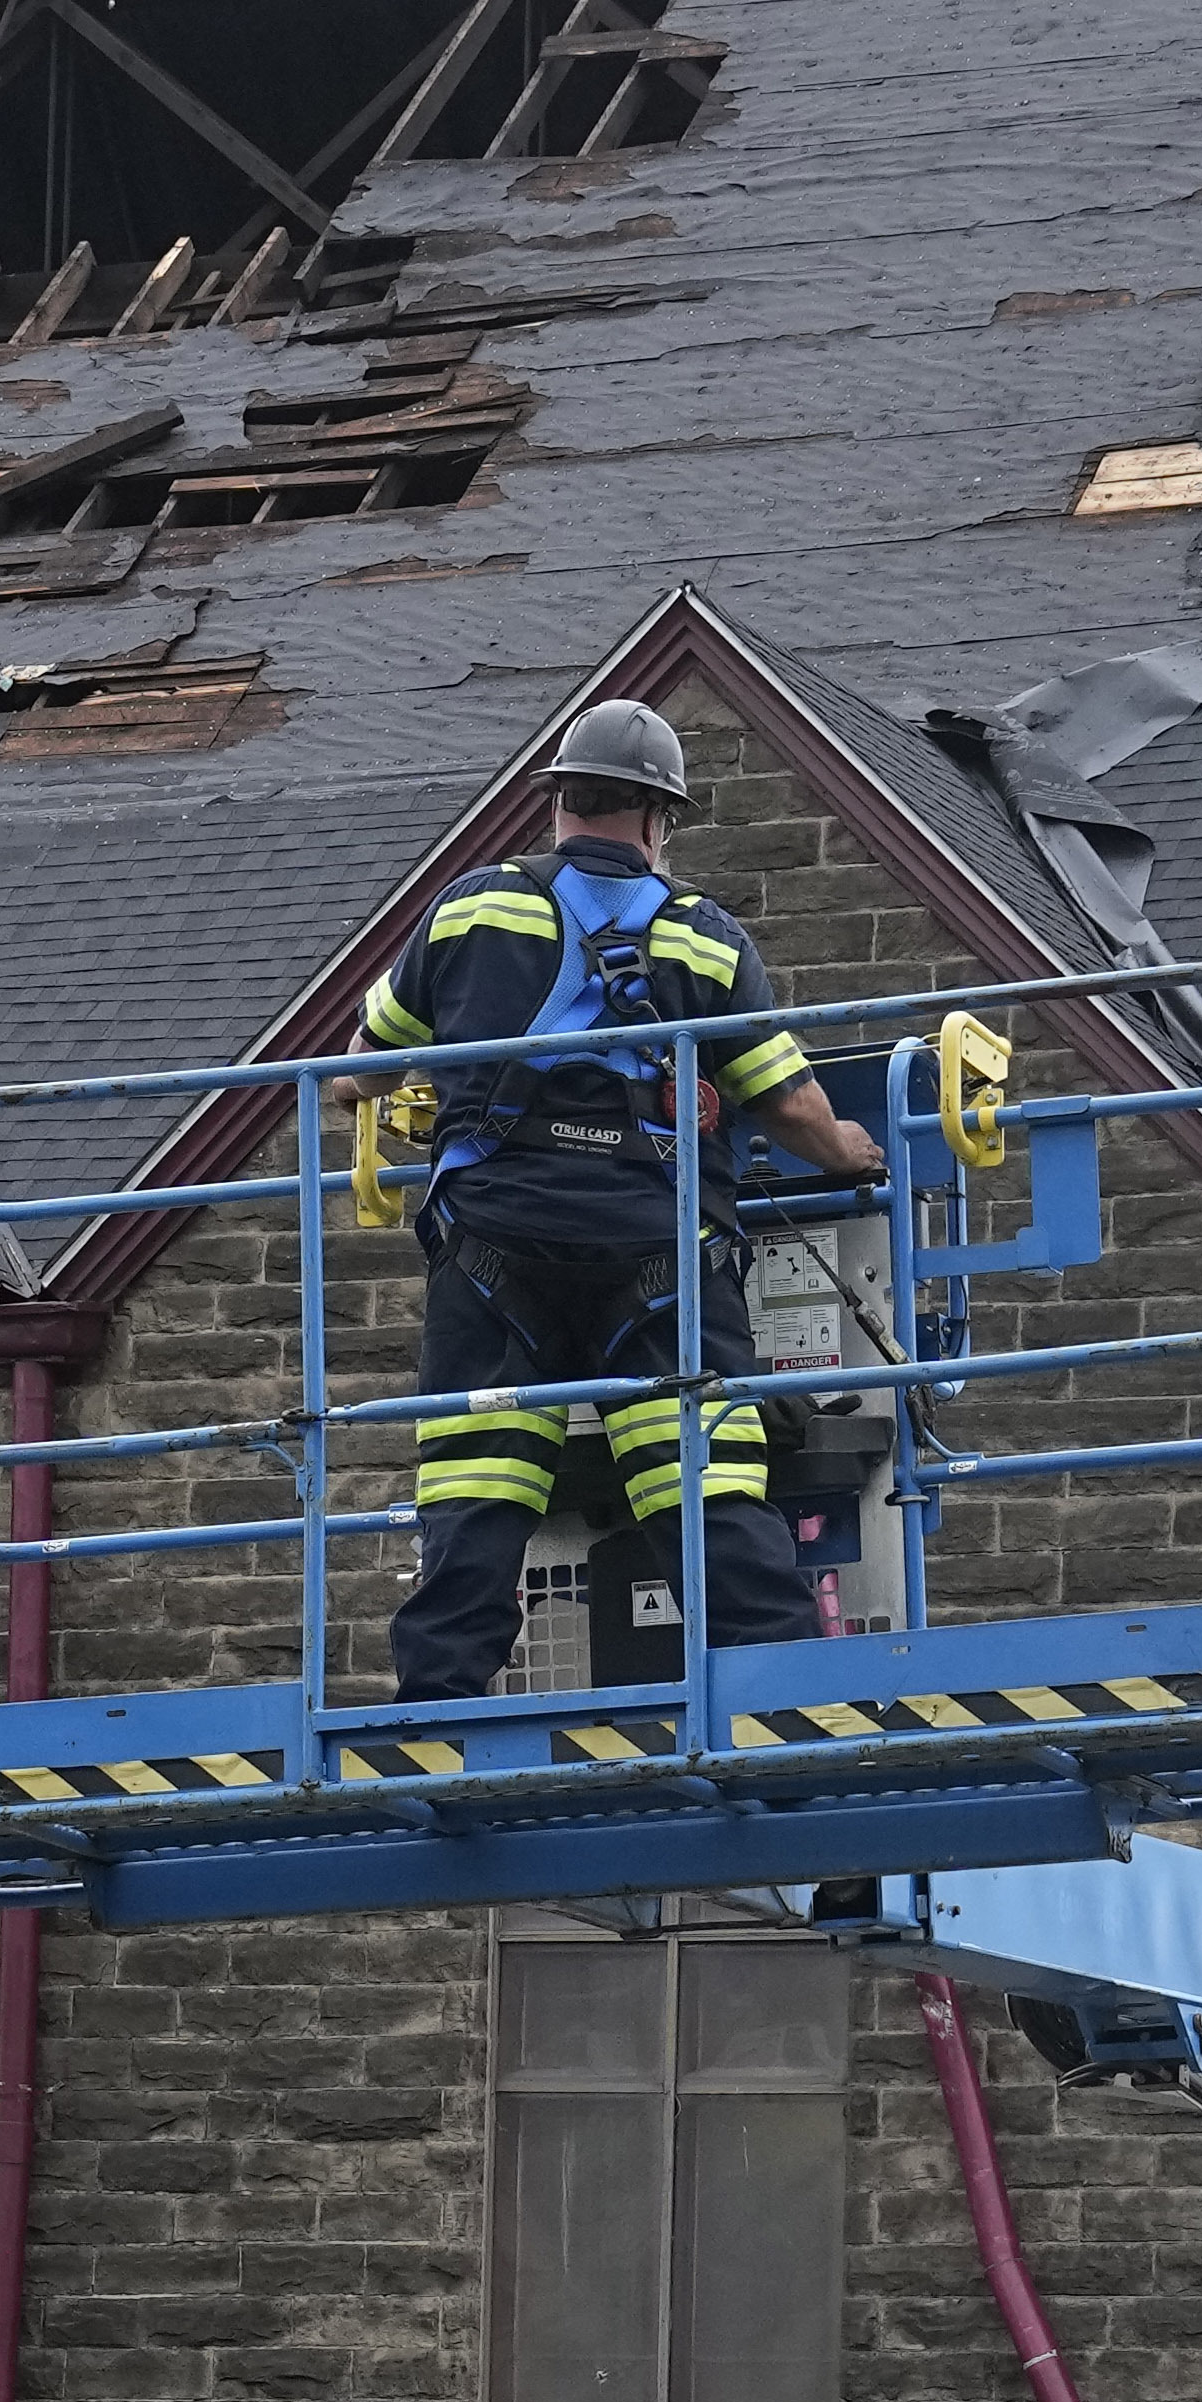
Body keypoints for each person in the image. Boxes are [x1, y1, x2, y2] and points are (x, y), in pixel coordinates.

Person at [353, 699, 886, 1700]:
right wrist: (854, 1152)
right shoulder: (704, 937)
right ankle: (782, 1704)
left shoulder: (469, 909)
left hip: (492, 1250)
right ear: (656, 818)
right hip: (657, 1258)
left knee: (475, 1483)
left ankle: (437, 1711)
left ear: (557, 801)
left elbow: (357, 1072)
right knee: (704, 1482)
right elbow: (790, 1108)